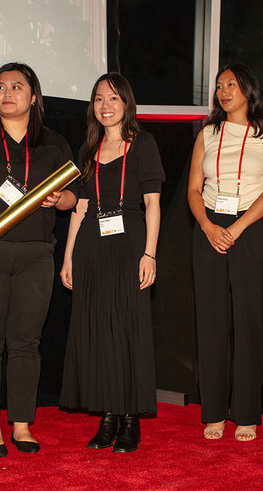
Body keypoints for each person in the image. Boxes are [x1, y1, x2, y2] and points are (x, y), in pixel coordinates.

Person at [0, 62, 77, 457]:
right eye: (0, 87)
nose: (8, 93)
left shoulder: (54, 143)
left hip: (36, 253)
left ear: (33, 96)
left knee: (26, 342)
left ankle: (21, 424)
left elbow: (76, 198)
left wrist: (61, 199)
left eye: (17, 86)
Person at [59, 73, 164, 453]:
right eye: (99, 99)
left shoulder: (144, 144)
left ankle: (130, 418)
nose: (105, 106)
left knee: (127, 328)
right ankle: (107, 417)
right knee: (99, 332)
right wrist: (69, 256)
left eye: (113, 98)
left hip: (130, 243)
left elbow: (152, 203)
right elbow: (81, 207)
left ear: (126, 104)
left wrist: (150, 253)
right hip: (91, 247)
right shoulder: (88, 149)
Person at [187, 63, 263, 442]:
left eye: (230, 84)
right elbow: (194, 189)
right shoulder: (207, 134)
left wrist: (238, 228)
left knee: (248, 323)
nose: (223, 91)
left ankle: (246, 415)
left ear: (248, 89)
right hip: (209, 227)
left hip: (250, 226)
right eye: (218, 86)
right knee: (210, 323)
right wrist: (210, 227)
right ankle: (213, 412)